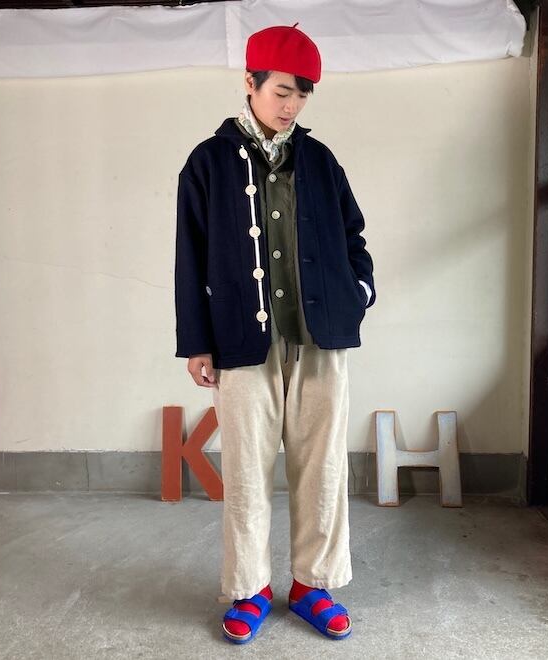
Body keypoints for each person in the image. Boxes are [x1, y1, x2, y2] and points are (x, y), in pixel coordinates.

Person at [174, 22, 376, 644]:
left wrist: (359, 292)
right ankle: (250, 588)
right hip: (241, 341)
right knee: (246, 470)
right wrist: (197, 341)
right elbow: (189, 255)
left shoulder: (320, 160)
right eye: (282, 91)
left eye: (303, 95)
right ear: (251, 82)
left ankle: (314, 585)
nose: (292, 106)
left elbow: (353, 235)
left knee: (323, 467)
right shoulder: (207, 162)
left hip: (321, 339)